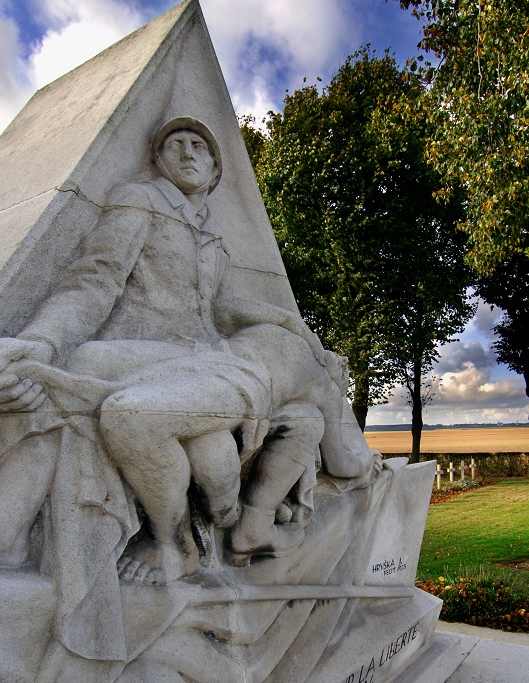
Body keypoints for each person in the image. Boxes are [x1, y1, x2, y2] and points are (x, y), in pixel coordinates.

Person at [0, 117, 380, 588]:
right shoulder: (139, 199)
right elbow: (94, 279)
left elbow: (212, 309)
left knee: (225, 445)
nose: (186, 153)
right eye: (174, 145)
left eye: (198, 146)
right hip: (151, 352)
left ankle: (191, 534)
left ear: (216, 169)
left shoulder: (215, 237)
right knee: (74, 366)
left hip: (203, 358)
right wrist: (42, 340)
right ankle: (15, 526)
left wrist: (289, 323)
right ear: (157, 160)